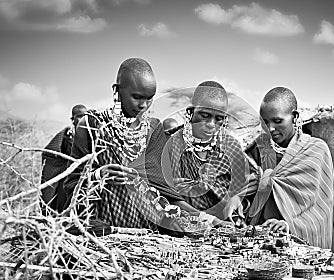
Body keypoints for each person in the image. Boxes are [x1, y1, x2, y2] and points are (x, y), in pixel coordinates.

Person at [64, 58, 227, 231]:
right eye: (137, 97)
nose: (143, 105)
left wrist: (208, 219)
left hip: (147, 235)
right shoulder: (92, 125)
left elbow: (164, 193)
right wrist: (98, 175)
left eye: (149, 99)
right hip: (102, 232)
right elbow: (70, 185)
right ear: (117, 90)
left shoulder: (154, 129)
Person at [245, 87, 334, 250]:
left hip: (299, 244)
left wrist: (288, 225)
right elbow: (246, 203)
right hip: (260, 244)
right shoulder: (257, 150)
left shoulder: (316, 150)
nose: (270, 129)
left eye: (277, 121)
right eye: (265, 122)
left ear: (294, 117)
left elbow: (321, 210)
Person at [163, 81, 254, 223]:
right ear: (191, 112)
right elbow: (169, 197)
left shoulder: (231, 146)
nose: (211, 124)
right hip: (182, 228)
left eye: (219, 119)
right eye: (204, 115)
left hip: (227, 230)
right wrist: (210, 221)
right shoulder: (172, 145)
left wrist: (237, 199)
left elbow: (246, 186)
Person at [41, 104, 87, 213]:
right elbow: (49, 152)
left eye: (85, 116)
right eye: (79, 116)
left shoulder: (90, 135)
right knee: (63, 208)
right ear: (73, 119)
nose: (82, 119)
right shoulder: (66, 136)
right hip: (66, 179)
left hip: (84, 177)